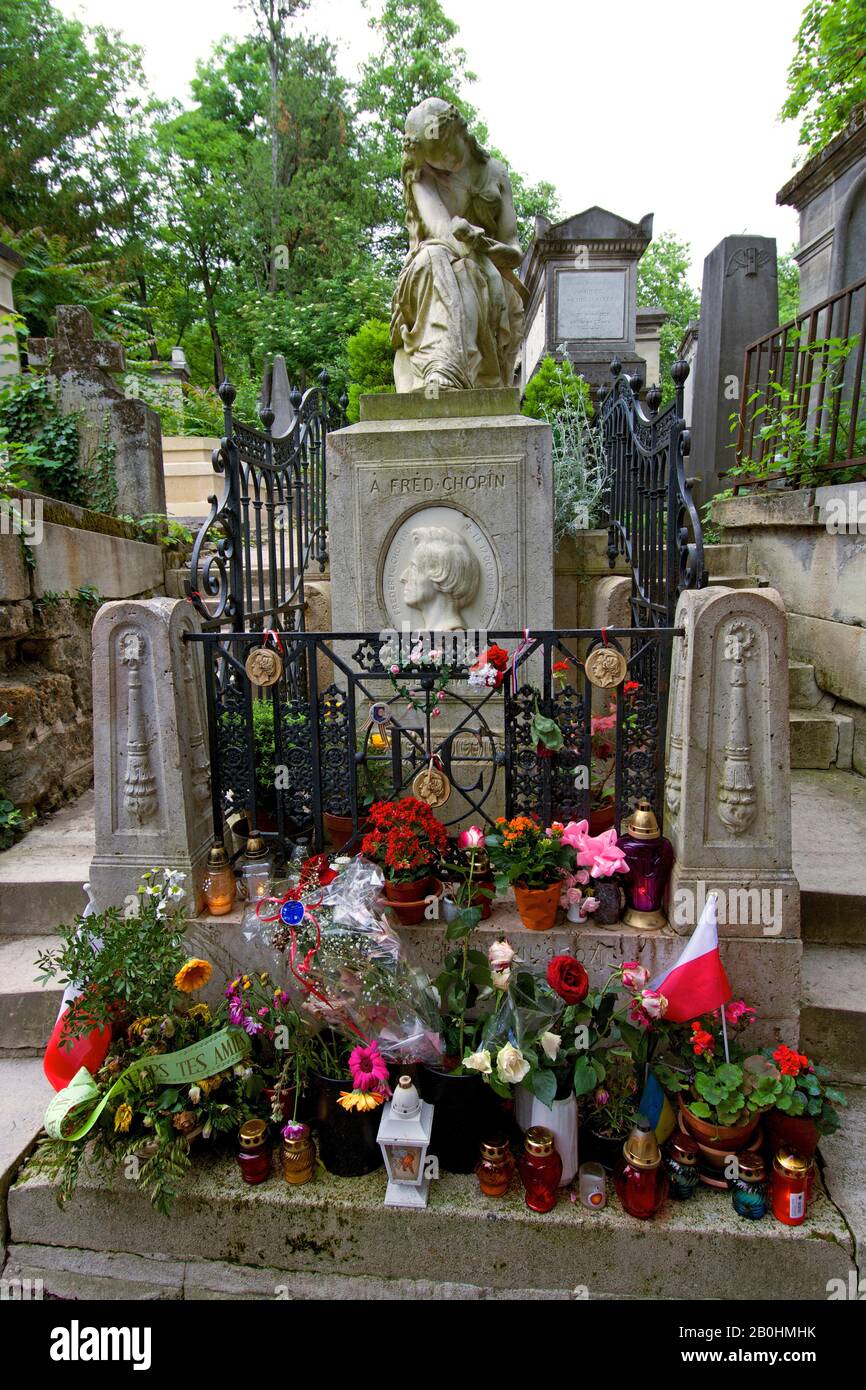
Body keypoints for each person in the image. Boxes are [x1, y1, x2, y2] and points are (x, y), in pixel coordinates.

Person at [391, 97, 526, 393]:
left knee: (467, 269)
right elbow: (442, 232)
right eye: (435, 158)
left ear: (460, 131)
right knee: (440, 259)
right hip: (436, 259)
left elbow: (514, 250)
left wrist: (489, 249)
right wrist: (468, 242)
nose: (446, 162)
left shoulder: (496, 173)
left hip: (488, 263)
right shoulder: (421, 176)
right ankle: (443, 367)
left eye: (449, 150)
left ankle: (448, 370)